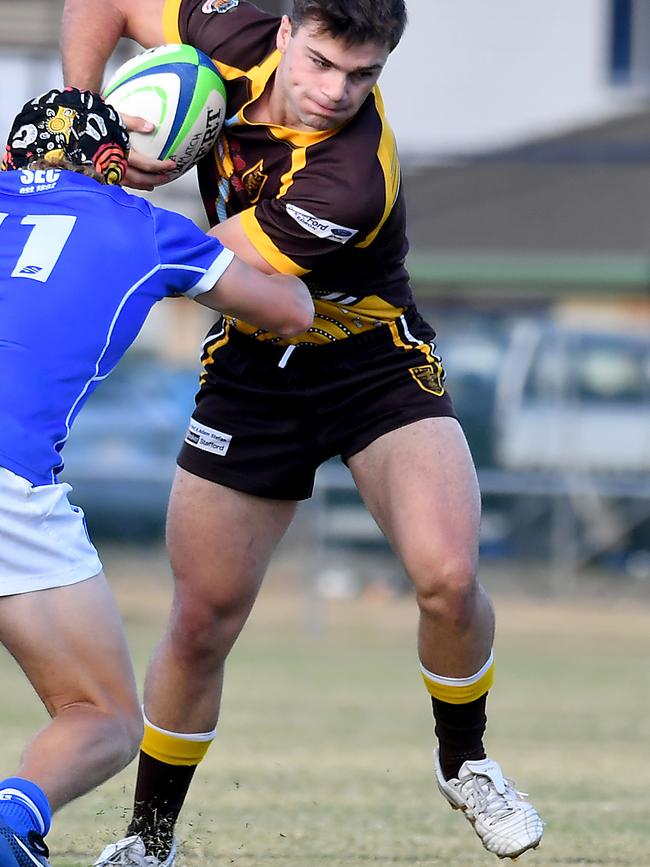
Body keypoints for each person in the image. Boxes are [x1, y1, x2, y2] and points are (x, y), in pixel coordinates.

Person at [61, 1, 545, 863]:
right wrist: (80, 111)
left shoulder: (350, 176)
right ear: (284, 31)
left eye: (365, 75)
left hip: (368, 359)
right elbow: (100, 3)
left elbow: (189, 264)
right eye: (322, 62)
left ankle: (464, 759)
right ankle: (149, 838)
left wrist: (85, 182)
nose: (337, 91)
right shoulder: (232, 33)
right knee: (203, 616)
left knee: (449, 573)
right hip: (254, 370)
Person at [0, 85, 313, 867]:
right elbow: (291, 312)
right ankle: (10, 823)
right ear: (115, 165)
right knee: (102, 716)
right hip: (7, 483)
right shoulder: (143, 225)